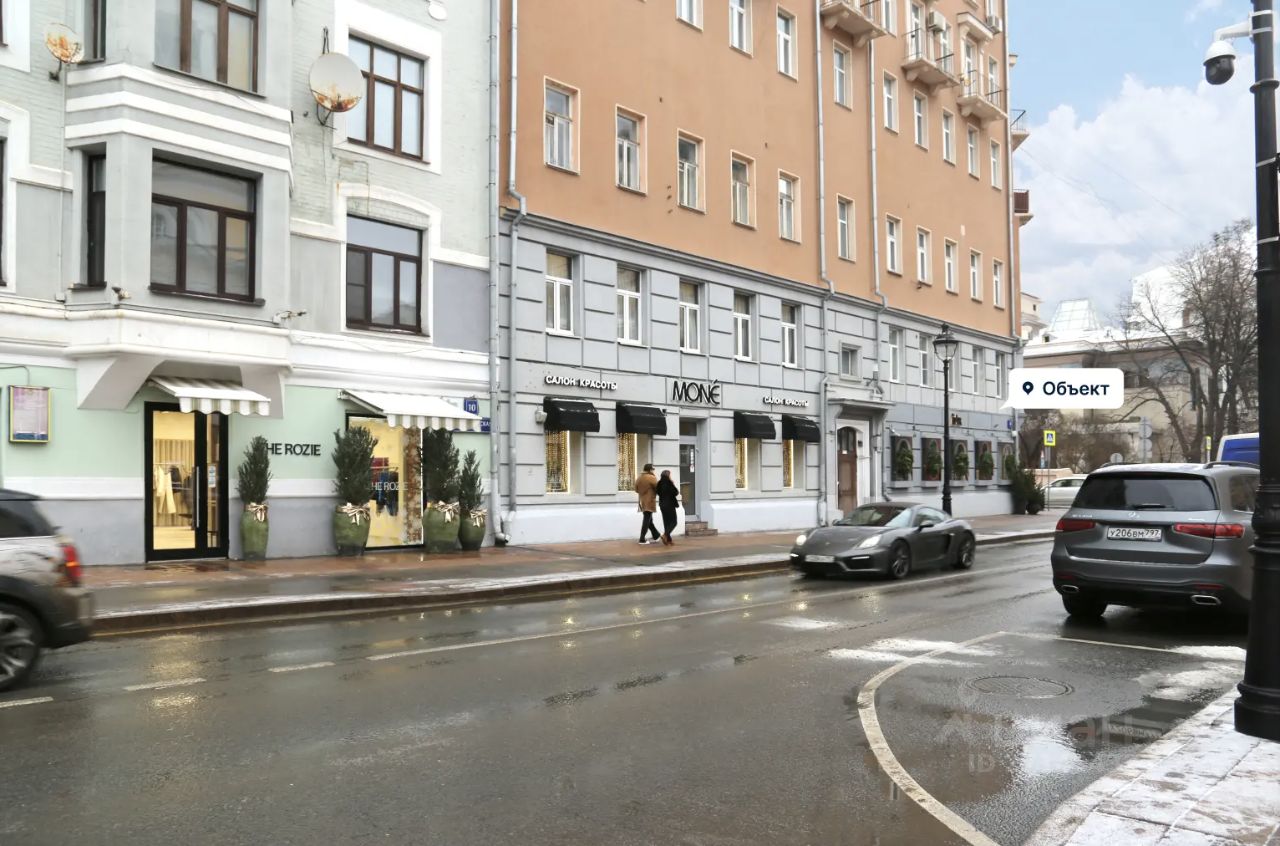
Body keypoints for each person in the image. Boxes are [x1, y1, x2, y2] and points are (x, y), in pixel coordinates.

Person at [634, 464, 660, 545]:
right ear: (650, 470)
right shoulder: (651, 477)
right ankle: (642, 539)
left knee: (649, 520)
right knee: (647, 520)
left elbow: (636, 489)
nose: (653, 471)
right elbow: (658, 488)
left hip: (642, 501)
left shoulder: (639, 477)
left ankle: (656, 535)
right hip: (649, 501)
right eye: (653, 469)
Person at [656, 469, 680, 546]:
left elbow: (658, 492)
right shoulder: (669, 483)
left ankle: (669, 540)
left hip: (662, 505)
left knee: (666, 523)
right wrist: (673, 484)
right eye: (670, 475)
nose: (670, 476)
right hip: (670, 505)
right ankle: (665, 535)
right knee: (674, 522)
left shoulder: (659, 483)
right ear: (668, 475)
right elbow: (675, 492)